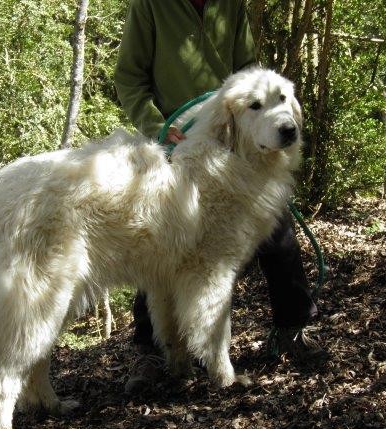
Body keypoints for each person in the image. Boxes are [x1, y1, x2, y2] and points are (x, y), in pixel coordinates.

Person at [114, 0, 326, 393]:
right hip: (174, 143)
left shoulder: (231, 5)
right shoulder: (150, 6)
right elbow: (128, 78)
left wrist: (255, 116)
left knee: (278, 234)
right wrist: (159, 126)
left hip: (237, 136)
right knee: (160, 244)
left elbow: (249, 70)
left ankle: (292, 329)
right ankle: (152, 352)